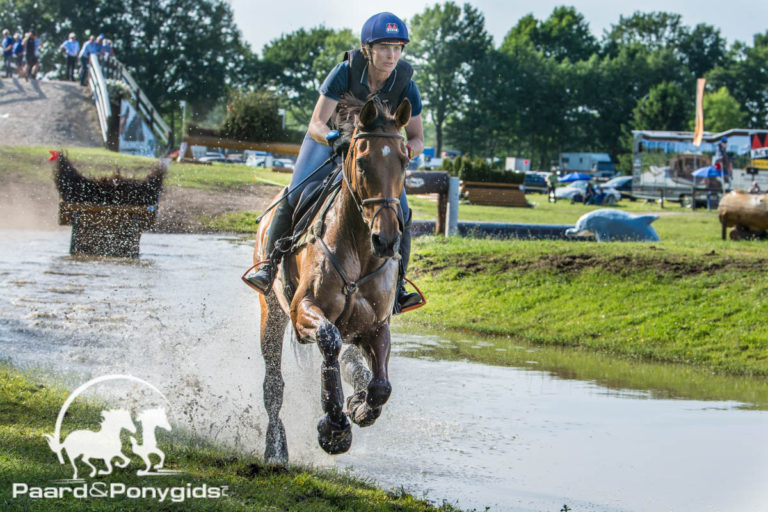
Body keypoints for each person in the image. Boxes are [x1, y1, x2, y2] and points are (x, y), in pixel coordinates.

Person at [247, 12, 425, 312]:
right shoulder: (344, 72)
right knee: (296, 193)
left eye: (397, 48)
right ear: (368, 49)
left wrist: (404, 151)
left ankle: (399, 286)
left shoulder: (407, 85)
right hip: (330, 142)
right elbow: (316, 123)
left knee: (402, 212)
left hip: (373, 156)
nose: (391, 55)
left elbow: (418, 138)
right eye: (384, 47)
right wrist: (333, 138)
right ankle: (269, 265)